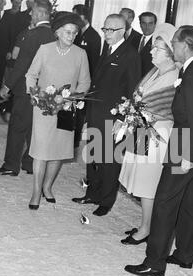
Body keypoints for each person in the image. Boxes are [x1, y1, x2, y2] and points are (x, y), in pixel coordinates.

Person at [125, 25, 193, 276]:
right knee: (189, 204)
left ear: (184, 45)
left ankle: (154, 262)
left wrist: (186, 156)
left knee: (164, 204)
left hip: (185, 147)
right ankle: (184, 254)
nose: (172, 47)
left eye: (174, 43)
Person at [72, 14, 141, 217]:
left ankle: (106, 200)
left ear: (123, 31)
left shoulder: (130, 55)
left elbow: (132, 91)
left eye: (111, 30)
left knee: (109, 161)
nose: (106, 33)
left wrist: (122, 120)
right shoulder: (107, 49)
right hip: (96, 112)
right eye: (105, 29)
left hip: (113, 118)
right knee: (93, 155)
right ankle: (92, 193)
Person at [119, 23, 178, 245]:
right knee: (141, 182)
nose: (151, 51)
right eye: (153, 47)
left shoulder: (174, 77)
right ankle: (146, 223)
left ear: (170, 54)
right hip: (143, 131)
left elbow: (163, 108)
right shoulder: (155, 72)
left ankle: (146, 229)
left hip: (158, 136)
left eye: (157, 49)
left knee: (148, 184)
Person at [26, 12, 90, 210]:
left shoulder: (80, 54)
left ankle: (47, 187)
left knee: (57, 151)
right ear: (57, 32)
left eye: (75, 33)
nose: (71, 37)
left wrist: (71, 97)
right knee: (41, 151)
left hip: (66, 109)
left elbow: (85, 82)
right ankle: (36, 192)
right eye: (68, 33)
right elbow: (31, 75)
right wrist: (34, 96)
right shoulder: (44, 50)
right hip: (44, 108)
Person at [0, 0, 56, 177]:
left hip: (26, 88)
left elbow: (21, 64)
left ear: (41, 14)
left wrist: (7, 85)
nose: (30, 14)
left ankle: (11, 164)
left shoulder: (33, 35)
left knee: (18, 126)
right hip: (44, 89)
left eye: (32, 12)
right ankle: (29, 162)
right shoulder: (54, 35)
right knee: (33, 127)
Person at [72, 4, 101, 149]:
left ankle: (75, 140)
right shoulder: (77, 33)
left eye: (77, 16)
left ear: (85, 17)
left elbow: (94, 61)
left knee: (80, 111)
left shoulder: (93, 36)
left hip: (84, 79)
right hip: (74, 78)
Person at [137, 12, 156, 77]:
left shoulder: (157, 42)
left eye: (150, 23)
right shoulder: (134, 39)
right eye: (144, 23)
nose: (147, 27)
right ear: (140, 24)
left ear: (155, 24)